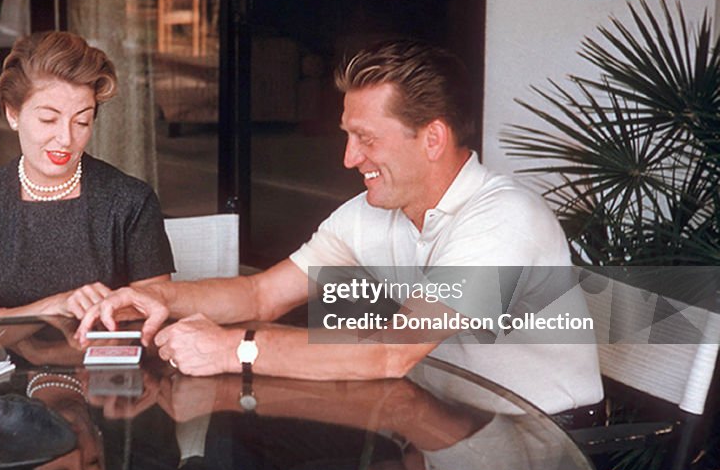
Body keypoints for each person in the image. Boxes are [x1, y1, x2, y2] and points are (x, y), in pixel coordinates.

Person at [78, 38, 603, 414]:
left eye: (367, 138)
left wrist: (234, 348)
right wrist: (163, 302)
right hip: (437, 419)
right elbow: (262, 294)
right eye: (348, 136)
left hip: (538, 440)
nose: (350, 158)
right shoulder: (374, 211)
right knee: (248, 451)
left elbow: (394, 349)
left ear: (433, 139)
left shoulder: (502, 219)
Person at [0, 31, 175, 320]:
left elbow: (153, 311)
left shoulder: (130, 201)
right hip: (3, 364)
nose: (66, 138)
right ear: (12, 114)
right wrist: (52, 307)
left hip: (103, 360)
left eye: (82, 121)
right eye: (48, 119)